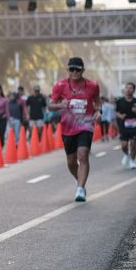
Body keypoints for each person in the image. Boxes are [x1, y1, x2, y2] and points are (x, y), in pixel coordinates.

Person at [48, 57, 101, 202]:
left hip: (85, 126)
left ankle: (80, 189)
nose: (75, 72)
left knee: (83, 155)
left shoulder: (93, 86)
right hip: (68, 128)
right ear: (68, 70)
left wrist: (98, 111)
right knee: (71, 162)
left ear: (83, 70)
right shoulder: (59, 86)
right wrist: (60, 105)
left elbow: (97, 102)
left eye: (77, 69)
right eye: (72, 69)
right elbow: (50, 106)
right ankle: (80, 181)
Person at [115, 82, 136, 170]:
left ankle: (132, 161)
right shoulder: (120, 101)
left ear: (133, 90)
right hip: (124, 126)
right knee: (124, 145)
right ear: (125, 89)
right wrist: (120, 116)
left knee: (133, 144)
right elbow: (115, 112)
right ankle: (127, 155)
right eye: (127, 88)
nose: (128, 90)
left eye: (131, 88)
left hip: (135, 126)